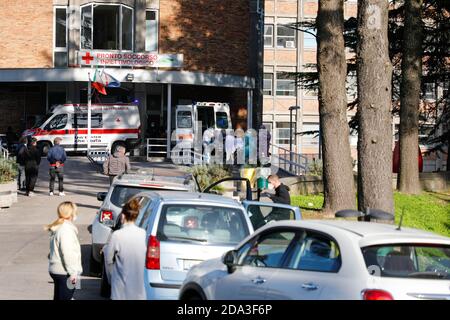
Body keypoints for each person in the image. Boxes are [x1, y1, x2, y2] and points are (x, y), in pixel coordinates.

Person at [103, 197, 146, 300]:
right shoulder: (143, 233)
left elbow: (108, 259)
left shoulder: (117, 235)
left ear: (123, 216)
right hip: (138, 288)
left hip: (120, 288)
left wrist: (112, 276)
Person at [46, 202, 82, 300]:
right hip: (66, 272)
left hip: (61, 271)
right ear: (71, 214)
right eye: (75, 212)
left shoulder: (60, 227)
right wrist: (73, 273)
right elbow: (67, 253)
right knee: (67, 297)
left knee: (65, 297)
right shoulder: (66, 230)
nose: (76, 214)